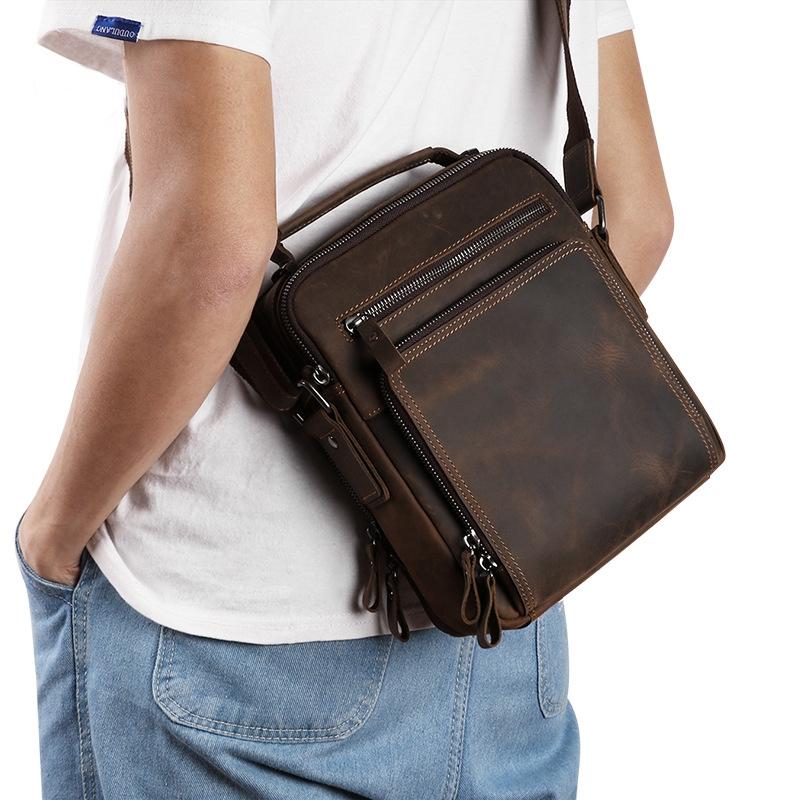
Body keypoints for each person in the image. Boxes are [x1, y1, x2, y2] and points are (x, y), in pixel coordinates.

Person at [16, 1, 671, 798]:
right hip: (496, 613)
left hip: (228, 631)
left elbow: (210, 255)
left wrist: (54, 530)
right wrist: (456, 478)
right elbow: (638, 216)